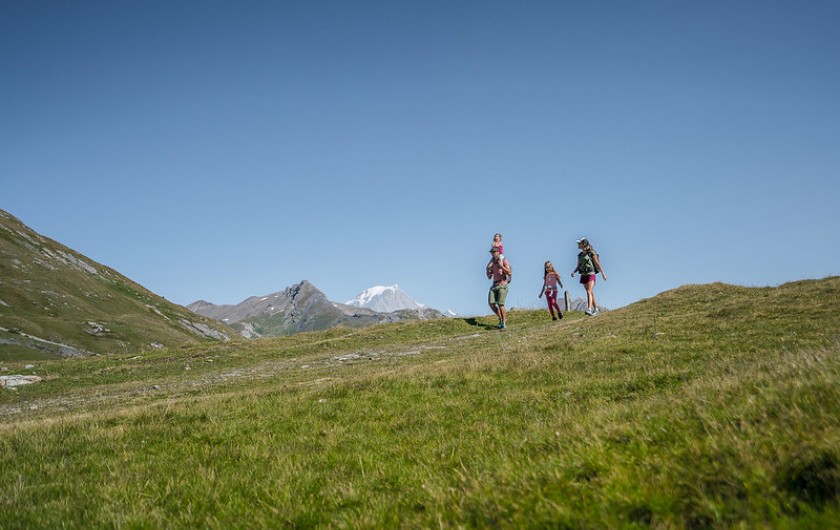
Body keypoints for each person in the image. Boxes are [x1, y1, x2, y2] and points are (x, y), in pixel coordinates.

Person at [571, 237, 607, 316]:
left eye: (579, 243)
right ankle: (596, 309)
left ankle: (589, 309)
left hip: (591, 273)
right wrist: (574, 272)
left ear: (584, 244)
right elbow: (578, 266)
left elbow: (597, 263)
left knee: (588, 291)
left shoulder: (592, 253)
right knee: (591, 292)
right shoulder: (580, 255)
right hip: (583, 274)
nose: (578, 244)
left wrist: (603, 273)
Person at [486, 247, 511, 329]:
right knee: (491, 303)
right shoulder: (492, 262)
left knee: (501, 304)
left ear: (498, 252)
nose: (492, 254)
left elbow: (509, 272)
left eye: (494, 252)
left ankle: (503, 323)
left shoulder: (504, 260)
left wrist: (501, 266)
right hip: (494, 285)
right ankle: (501, 318)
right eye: (491, 252)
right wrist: (487, 269)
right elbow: (489, 277)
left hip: (502, 284)